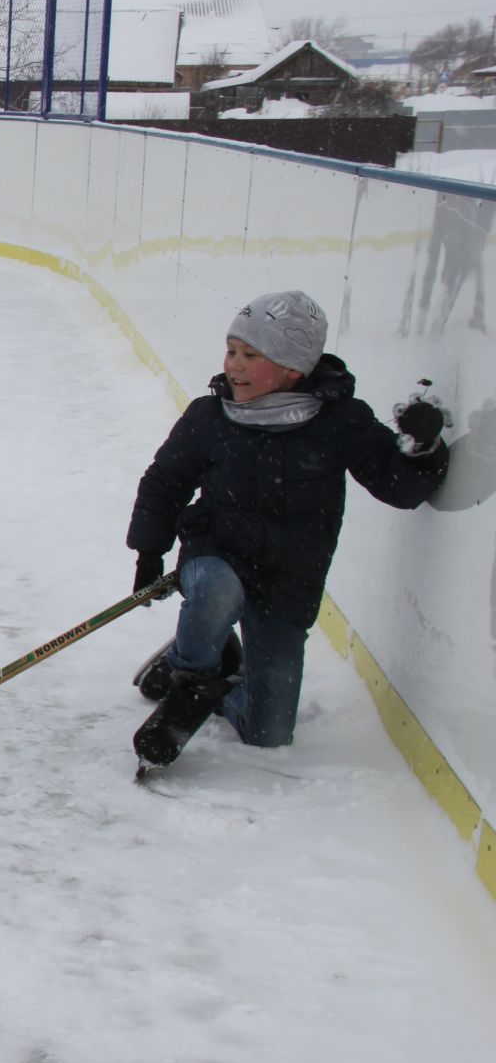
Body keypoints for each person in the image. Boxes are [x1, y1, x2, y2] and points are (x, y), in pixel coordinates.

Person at [126, 290, 451, 768]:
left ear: (294, 367)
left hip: (290, 579)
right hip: (217, 552)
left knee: (269, 731)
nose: (234, 365)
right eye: (232, 350)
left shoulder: (339, 423)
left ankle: (218, 671)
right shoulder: (209, 416)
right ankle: (189, 684)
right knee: (214, 589)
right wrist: (149, 551)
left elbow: (398, 488)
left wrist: (422, 446)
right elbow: (165, 482)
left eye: (251, 355)